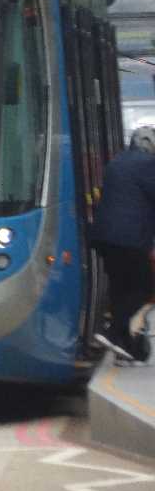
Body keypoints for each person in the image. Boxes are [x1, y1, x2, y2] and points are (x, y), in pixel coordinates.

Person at [92, 126, 155, 364]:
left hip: (105, 237)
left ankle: (122, 348)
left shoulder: (117, 162)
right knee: (144, 287)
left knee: (121, 288)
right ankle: (111, 331)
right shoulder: (147, 164)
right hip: (130, 238)